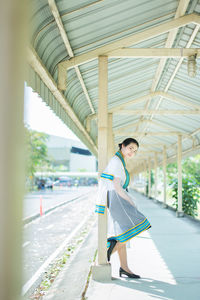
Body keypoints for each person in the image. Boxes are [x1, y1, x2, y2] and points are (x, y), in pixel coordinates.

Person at [95, 138, 151, 278]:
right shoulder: (117, 162)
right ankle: (107, 250)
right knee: (138, 223)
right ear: (123, 146)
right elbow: (117, 187)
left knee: (123, 232)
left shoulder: (119, 161)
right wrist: (131, 201)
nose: (133, 152)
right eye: (131, 148)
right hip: (117, 197)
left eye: (135, 150)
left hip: (114, 197)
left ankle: (124, 268)